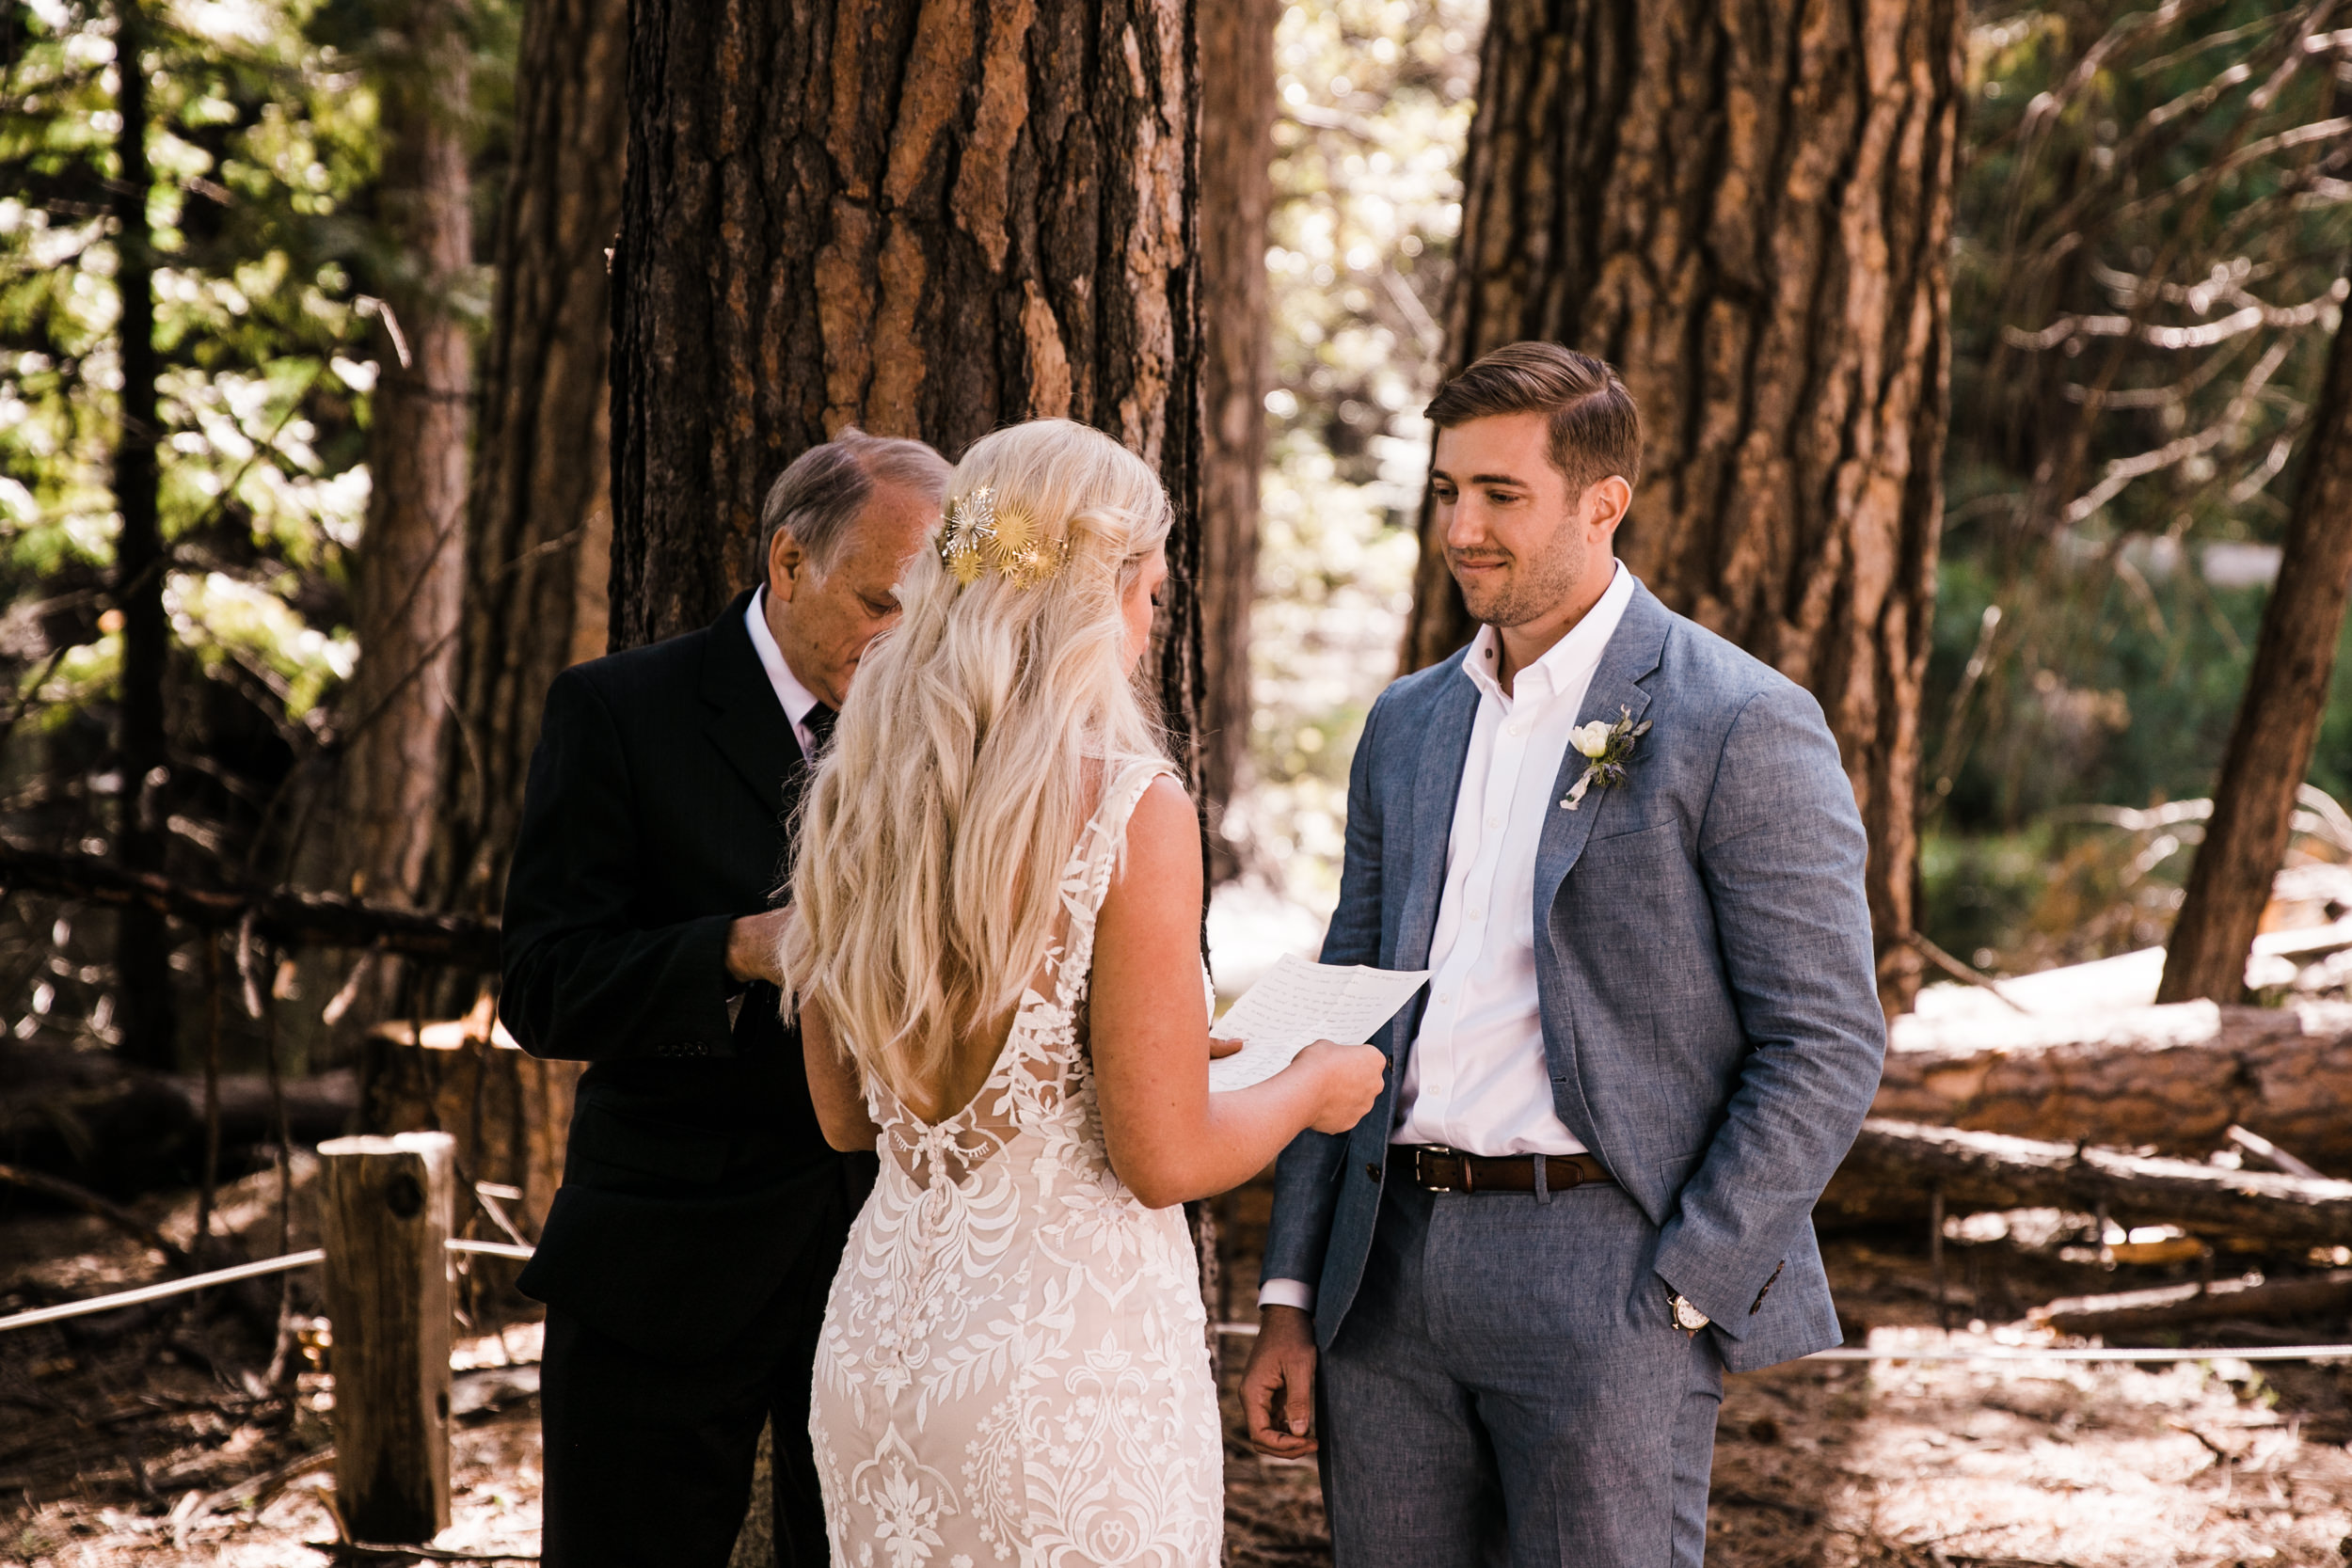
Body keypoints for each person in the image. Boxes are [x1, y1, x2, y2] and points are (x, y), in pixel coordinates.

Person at [1239, 343, 1887, 1567]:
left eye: (1500, 493)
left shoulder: (1736, 716)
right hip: (1383, 1271)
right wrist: (1289, 1291)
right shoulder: (1406, 721)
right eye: (1446, 492)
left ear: (1605, 503)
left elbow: (1828, 1036)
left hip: (1607, 1265)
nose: (1463, 528)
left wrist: (1687, 1278)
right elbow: (1347, 998)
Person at [784, 419, 1388, 1566]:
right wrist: (1310, 1084)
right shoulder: (1127, 807)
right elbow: (1162, 1158)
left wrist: (1137, 1053)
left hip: (877, 1356)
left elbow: (846, 1116)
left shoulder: (852, 787)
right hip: (1065, 1371)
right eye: (1148, 595)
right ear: (1091, 595)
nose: (1150, 628)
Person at [501, 428, 950, 1568]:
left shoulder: (945, 733)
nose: (899, 642)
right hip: (665, 1257)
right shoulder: (617, 709)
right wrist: (736, 949)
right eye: (876, 603)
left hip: (881, 1260)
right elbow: (544, 988)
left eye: (925, 614)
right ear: (787, 561)